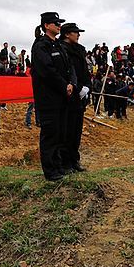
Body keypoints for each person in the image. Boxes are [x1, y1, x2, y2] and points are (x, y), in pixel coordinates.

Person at [31, 12, 76, 181]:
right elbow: (47, 71)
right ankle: (50, 171)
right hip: (48, 98)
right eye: (56, 23)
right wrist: (64, 85)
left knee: (60, 133)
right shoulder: (40, 46)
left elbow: (69, 67)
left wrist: (71, 83)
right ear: (46, 25)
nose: (59, 26)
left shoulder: (58, 45)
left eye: (59, 23)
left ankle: (59, 166)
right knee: (50, 134)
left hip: (63, 96)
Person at [59, 23, 90, 172]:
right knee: (67, 130)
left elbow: (84, 71)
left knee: (77, 130)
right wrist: (77, 88)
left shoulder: (80, 50)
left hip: (81, 96)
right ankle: (65, 162)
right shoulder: (61, 49)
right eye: (75, 32)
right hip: (69, 95)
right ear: (67, 34)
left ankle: (74, 160)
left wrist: (87, 87)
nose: (78, 35)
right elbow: (67, 73)